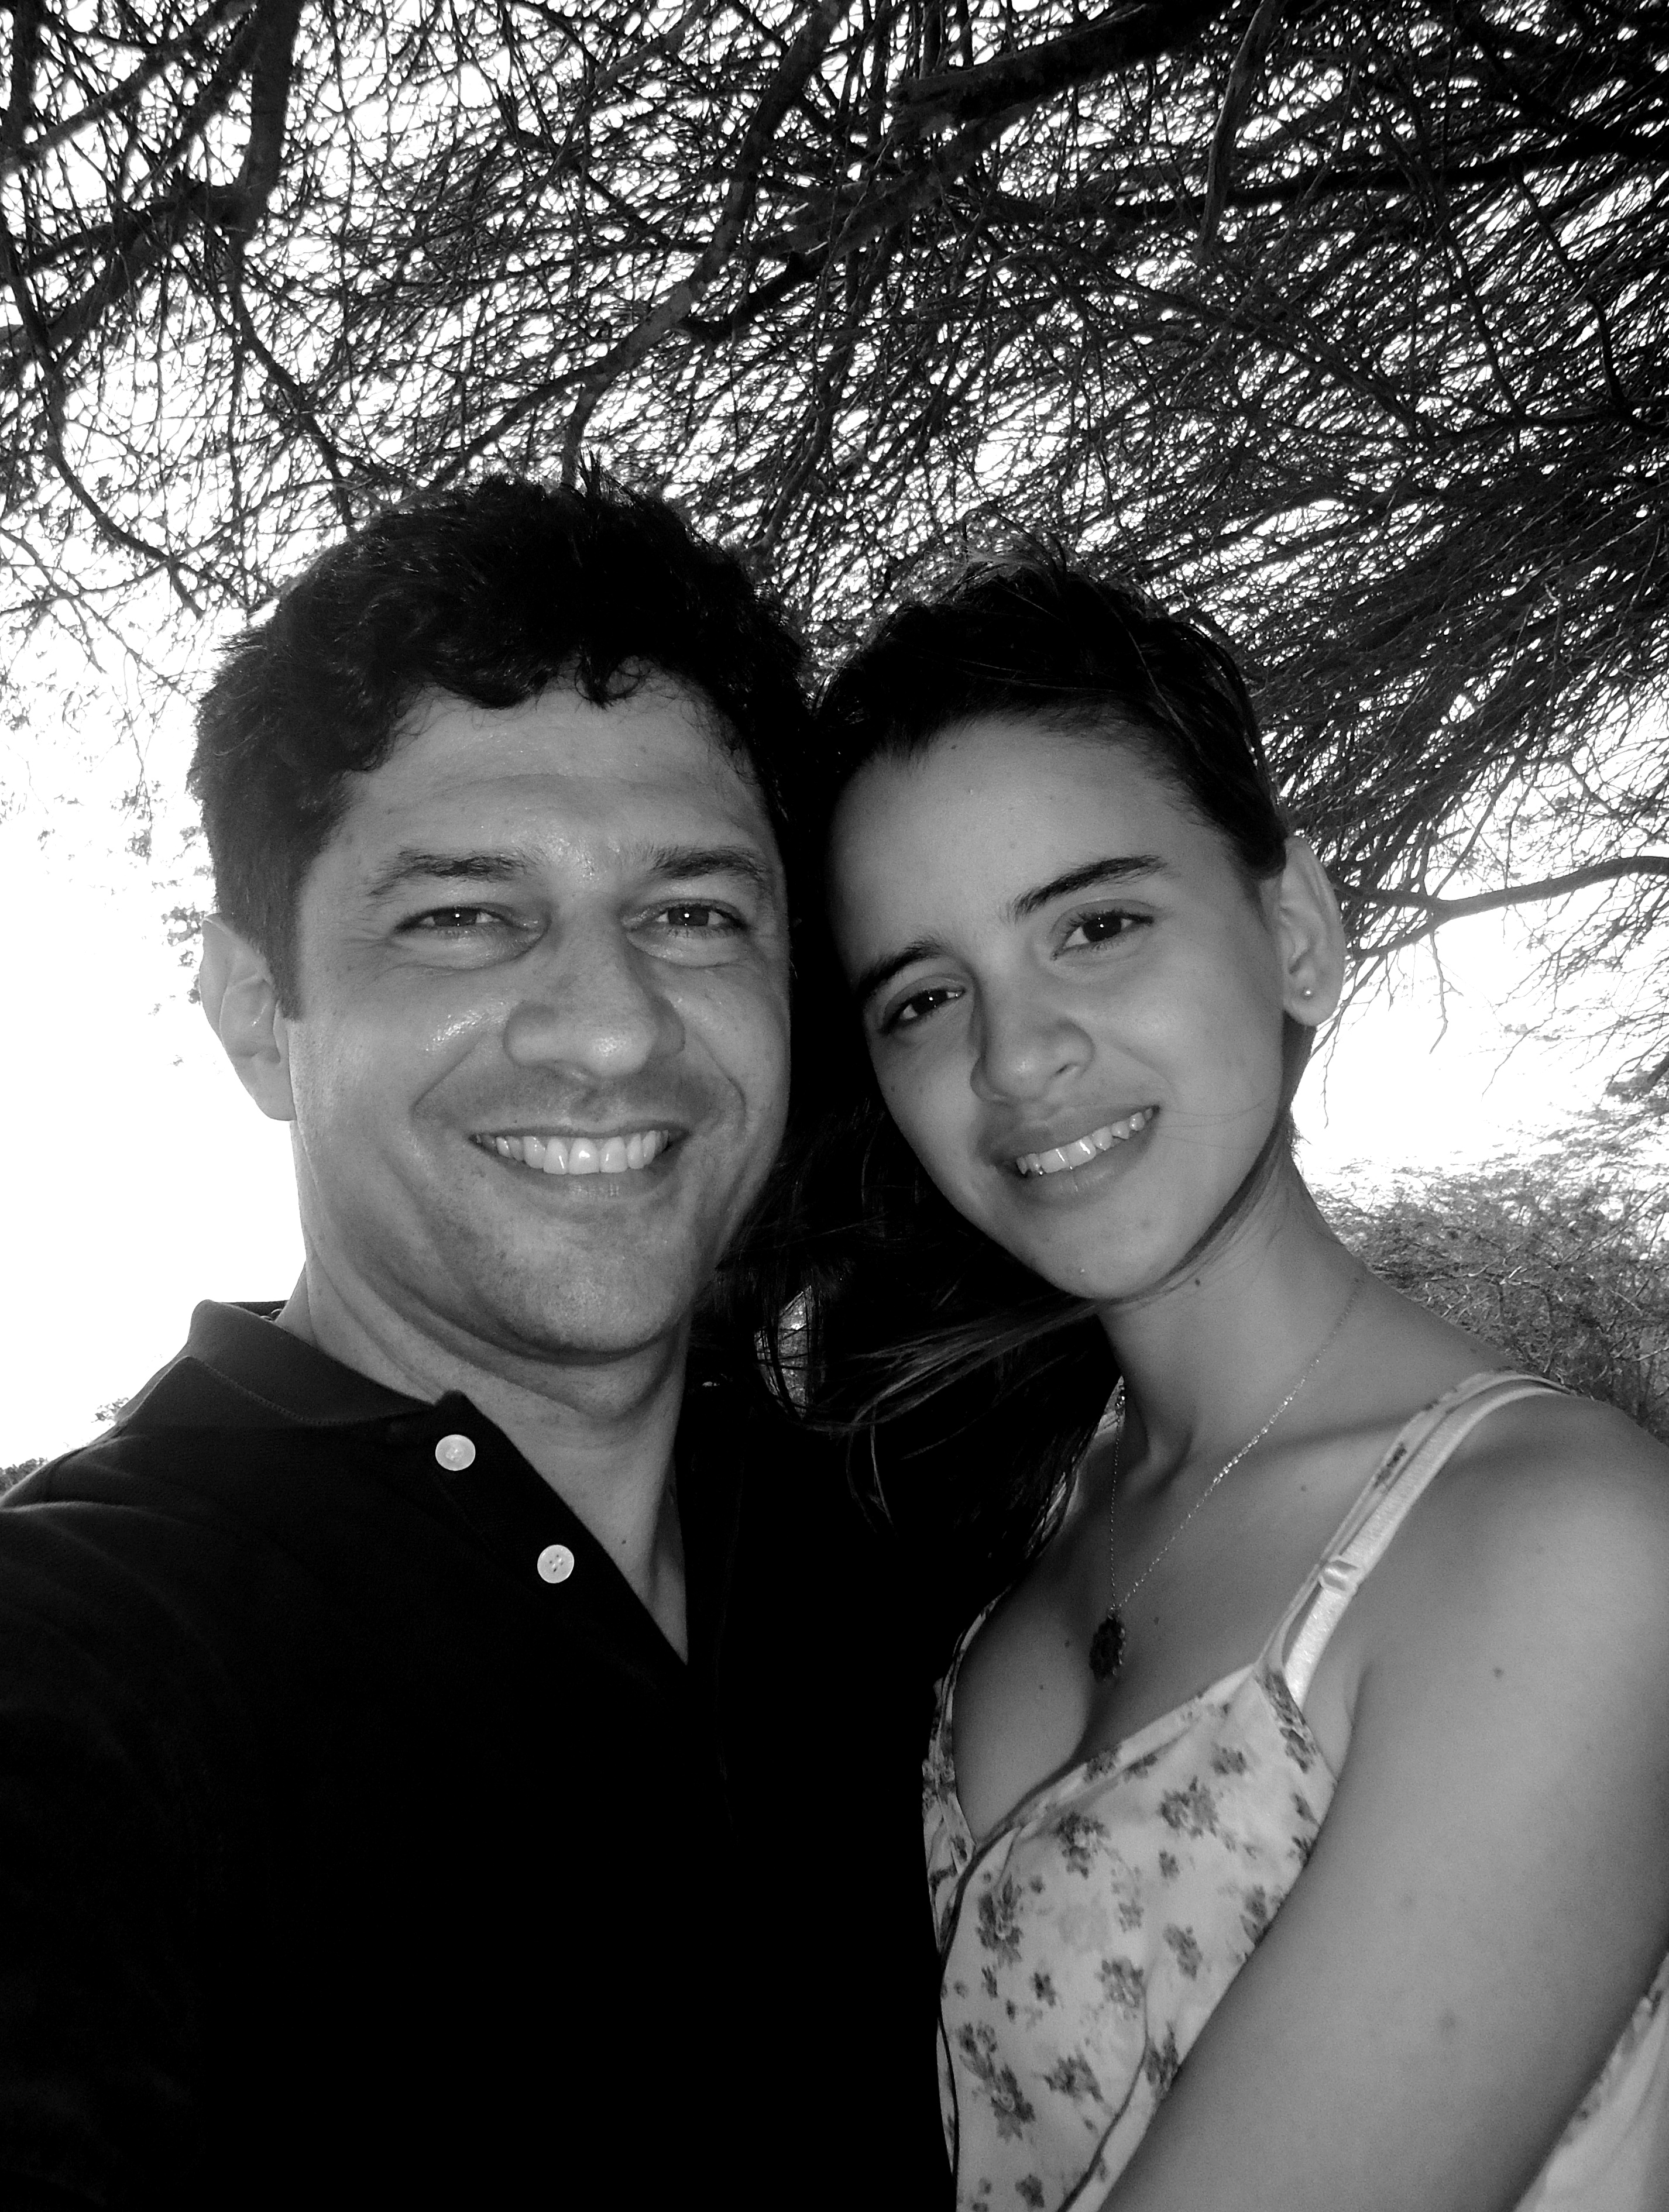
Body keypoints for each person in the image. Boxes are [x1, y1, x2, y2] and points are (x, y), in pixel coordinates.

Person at [0, 477, 949, 2209]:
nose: (609, 1030)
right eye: (462, 914)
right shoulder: (89, 1661)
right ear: (256, 1013)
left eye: (692, 912)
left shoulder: (907, 1557)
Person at [798, 554, 1669, 2211]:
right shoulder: (1024, 1510)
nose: (1015, 1056)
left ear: (1295, 936)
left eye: (1096, 926)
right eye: (925, 998)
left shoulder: (1560, 1545)